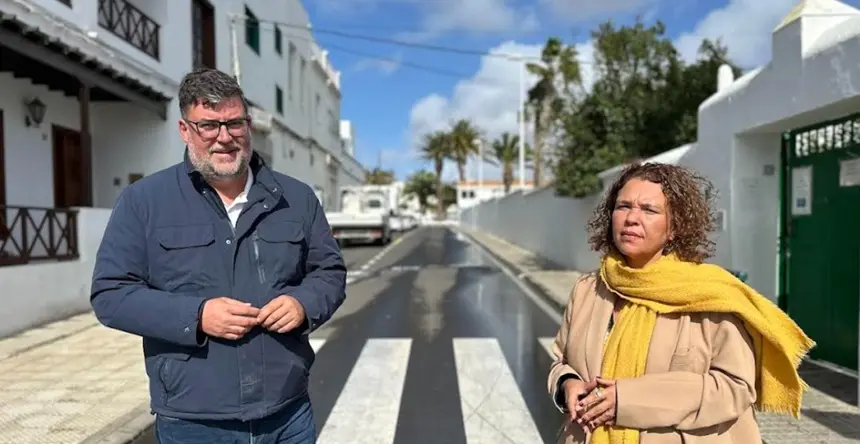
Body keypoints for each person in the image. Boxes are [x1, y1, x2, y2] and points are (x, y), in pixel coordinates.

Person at [90, 68, 346, 444]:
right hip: (194, 421)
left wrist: (303, 303)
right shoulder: (143, 202)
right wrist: (197, 316)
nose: (224, 138)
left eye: (234, 123)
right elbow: (110, 296)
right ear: (184, 129)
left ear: (249, 124)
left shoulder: (298, 198)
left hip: (287, 414)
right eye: (208, 125)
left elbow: (329, 272)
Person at [546, 163, 815, 444]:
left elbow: (734, 388)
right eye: (623, 206)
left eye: (649, 210)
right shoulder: (588, 289)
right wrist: (567, 384)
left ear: (675, 227)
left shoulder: (709, 296)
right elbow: (561, 361)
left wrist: (628, 401)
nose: (631, 219)